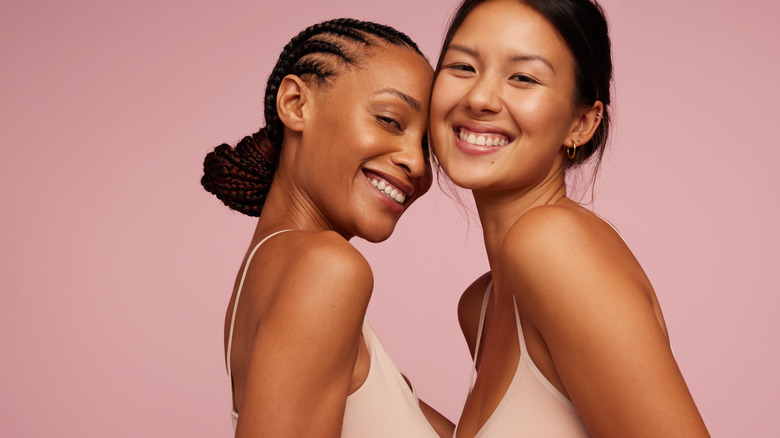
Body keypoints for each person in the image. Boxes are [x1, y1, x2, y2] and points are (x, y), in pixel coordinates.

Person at [428, 0, 710, 436]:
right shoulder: (479, 306)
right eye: (462, 67)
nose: (479, 97)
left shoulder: (552, 243)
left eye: (522, 77)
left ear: (581, 123)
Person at [201, 18, 453, 437]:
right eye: (390, 119)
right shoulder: (325, 267)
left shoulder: (274, 272)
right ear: (297, 104)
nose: (417, 162)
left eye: (428, 145)